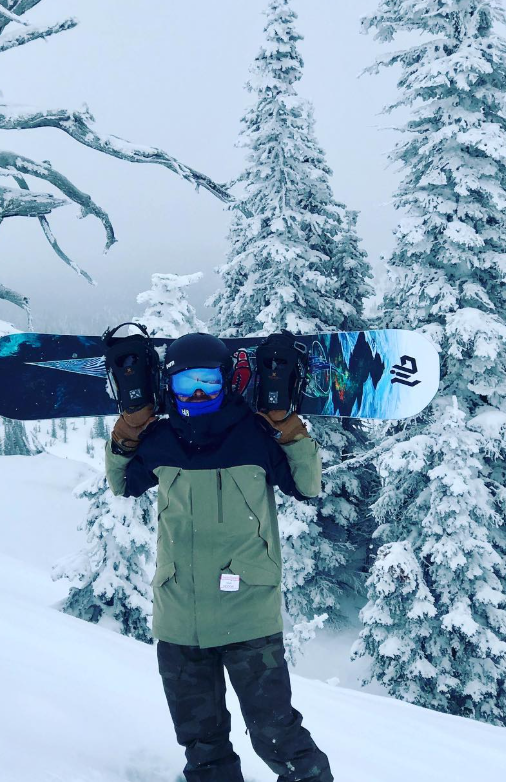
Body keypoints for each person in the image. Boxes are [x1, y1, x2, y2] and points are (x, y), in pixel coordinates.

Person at [105, 332, 334, 782]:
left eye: (208, 382)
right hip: (179, 617)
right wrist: (130, 425)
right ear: (169, 385)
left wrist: (286, 423)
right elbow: (122, 483)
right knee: (201, 744)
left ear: (227, 381)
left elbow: (307, 485)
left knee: (276, 734)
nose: (197, 393)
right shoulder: (163, 438)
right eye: (187, 382)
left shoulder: (254, 434)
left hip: (247, 615)